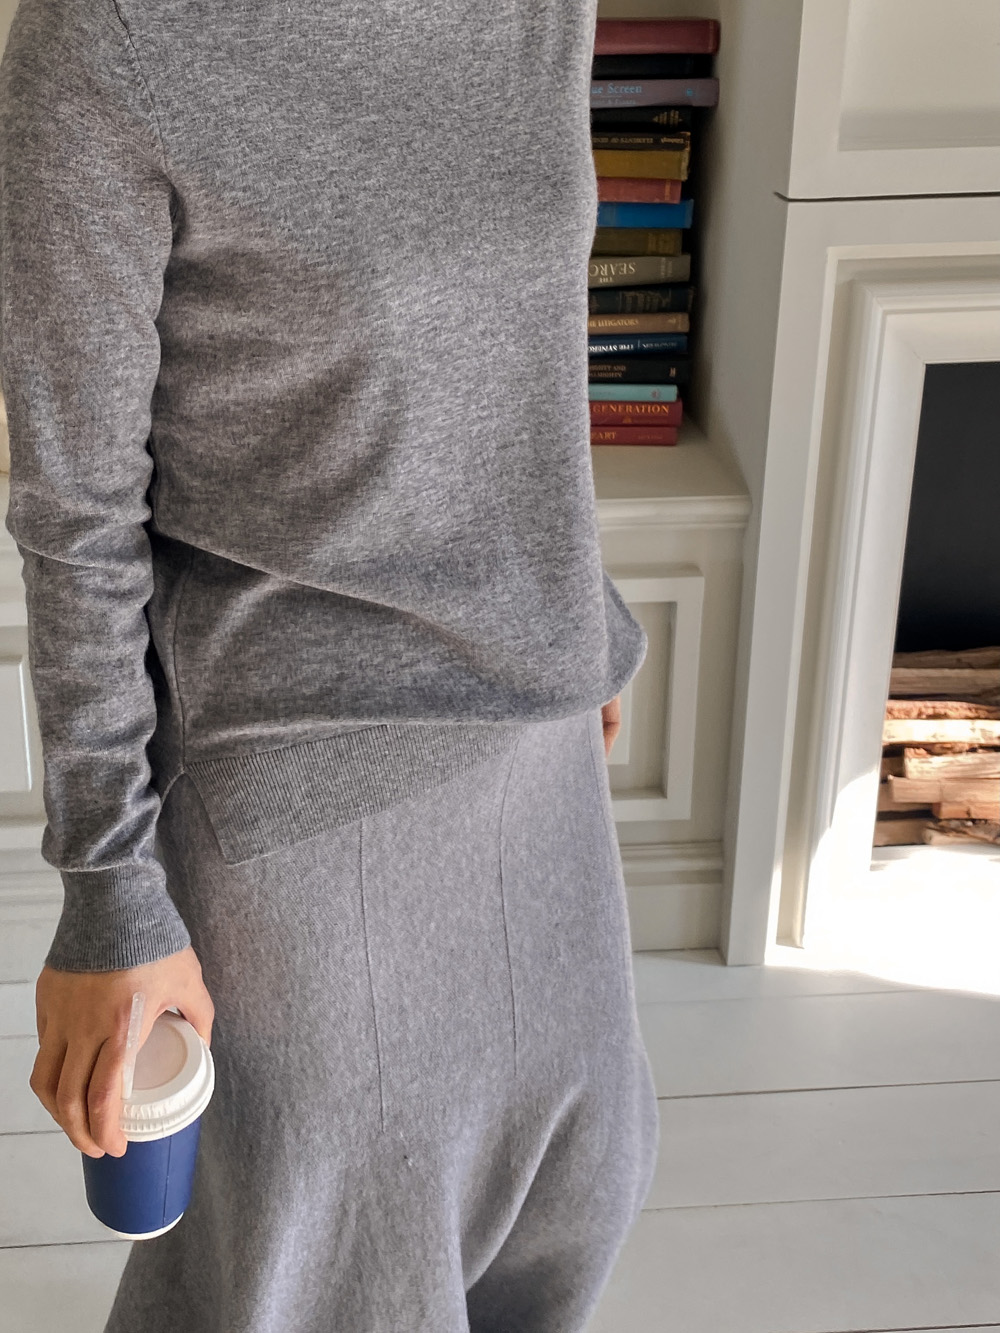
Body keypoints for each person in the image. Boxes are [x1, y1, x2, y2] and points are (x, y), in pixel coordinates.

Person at [0, 0, 660, 1327]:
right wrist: (111, 887)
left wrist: (573, 617)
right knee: (332, 1275)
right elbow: (77, 513)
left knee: (575, 1196)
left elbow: (513, 333)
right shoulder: (107, 45)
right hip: (301, 784)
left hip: (537, 761)